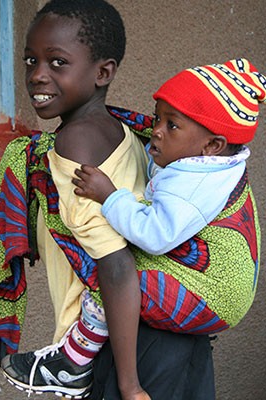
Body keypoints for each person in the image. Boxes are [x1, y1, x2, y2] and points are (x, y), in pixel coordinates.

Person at [0, 1, 215, 399]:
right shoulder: (124, 132)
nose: (37, 76)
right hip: (168, 339)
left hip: (118, 350)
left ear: (103, 72)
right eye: (31, 60)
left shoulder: (76, 140)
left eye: (57, 63)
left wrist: (128, 384)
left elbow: (116, 265)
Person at [72, 58, 263, 336]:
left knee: (111, 276)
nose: (156, 130)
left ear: (212, 145)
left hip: (211, 298)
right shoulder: (204, 160)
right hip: (218, 291)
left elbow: (154, 234)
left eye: (171, 125)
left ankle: (74, 358)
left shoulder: (196, 184)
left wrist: (109, 196)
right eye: (157, 116)